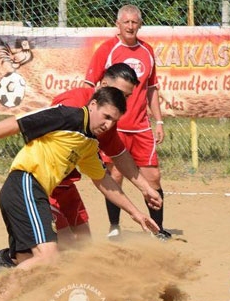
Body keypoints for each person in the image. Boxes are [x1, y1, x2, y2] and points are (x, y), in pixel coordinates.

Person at [0, 87, 160, 281]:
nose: (109, 125)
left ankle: (3, 281)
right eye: (106, 117)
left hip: (29, 190)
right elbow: (19, 122)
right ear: (93, 105)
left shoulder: (89, 141)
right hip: (27, 183)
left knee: (29, 261)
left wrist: (136, 213)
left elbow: (103, 181)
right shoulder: (67, 115)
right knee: (49, 257)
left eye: (114, 121)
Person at [48, 63, 162, 246]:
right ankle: (8, 258)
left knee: (83, 243)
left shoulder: (104, 121)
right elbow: (23, 125)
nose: (121, 100)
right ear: (102, 85)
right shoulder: (73, 104)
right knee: (62, 247)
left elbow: (118, 155)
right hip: (42, 181)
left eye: (126, 96)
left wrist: (145, 189)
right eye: (118, 92)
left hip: (65, 183)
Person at [85, 4, 170, 241]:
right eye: (126, 22)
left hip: (141, 127)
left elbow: (152, 89)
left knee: (153, 178)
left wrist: (159, 121)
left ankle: (158, 229)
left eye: (135, 22)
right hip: (114, 126)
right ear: (118, 25)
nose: (131, 26)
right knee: (115, 175)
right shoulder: (107, 50)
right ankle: (115, 226)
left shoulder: (147, 51)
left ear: (140, 25)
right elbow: (89, 85)